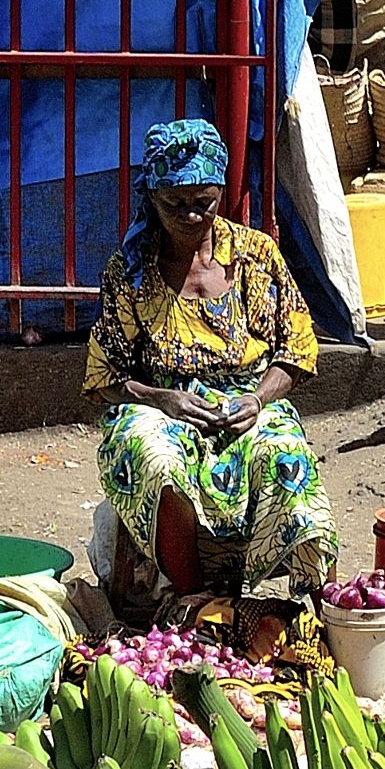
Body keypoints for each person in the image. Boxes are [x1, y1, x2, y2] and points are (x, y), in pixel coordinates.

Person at [83, 119, 338, 629]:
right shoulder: (131, 270)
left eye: (204, 200)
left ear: (222, 191)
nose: (191, 215)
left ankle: (319, 604)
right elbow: (102, 377)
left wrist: (260, 400)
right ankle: (195, 596)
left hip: (245, 402)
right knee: (155, 456)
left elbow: (299, 350)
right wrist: (161, 400)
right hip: (165, 406)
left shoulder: (256, 256)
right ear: (150, 198)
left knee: (284, 454)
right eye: (174, 204)